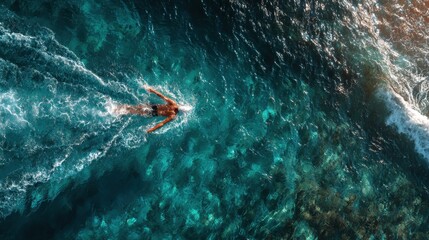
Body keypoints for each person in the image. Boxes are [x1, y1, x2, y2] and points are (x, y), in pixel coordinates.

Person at [115, 87, 179, 133]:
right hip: (153, 113)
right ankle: (119, 111)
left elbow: (162, 96)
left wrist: (153, 90)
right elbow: (162, 123)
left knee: (136, 107)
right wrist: (152, 129)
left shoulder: (173, 104)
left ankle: (118, 108)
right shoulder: (172, 115)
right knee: (136, 111)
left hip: (154, 107)